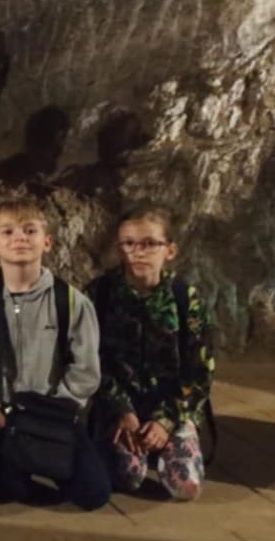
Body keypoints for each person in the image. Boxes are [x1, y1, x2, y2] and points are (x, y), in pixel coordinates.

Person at [0, 198, 109, 510]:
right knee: (7, 491)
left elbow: (86, 367)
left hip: (53, 413)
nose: (19, 238)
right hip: (1, 415)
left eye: (30, 230)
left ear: (47, 242)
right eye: (8, 231)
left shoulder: (72, 302)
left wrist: (62, 407)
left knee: (93, 494)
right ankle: (3, 462)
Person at [88, 207, 214, 502]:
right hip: (121, 408)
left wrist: (166, 420)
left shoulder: (185, 298)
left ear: (169, 250)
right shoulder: (100, 294)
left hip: (172, 406)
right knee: (126, 476)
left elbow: (199, 372)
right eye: (129, 243)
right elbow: (89, 361)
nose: (138, 252)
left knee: (185, 488)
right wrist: (121, 410)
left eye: (149, 244)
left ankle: (170, 446)